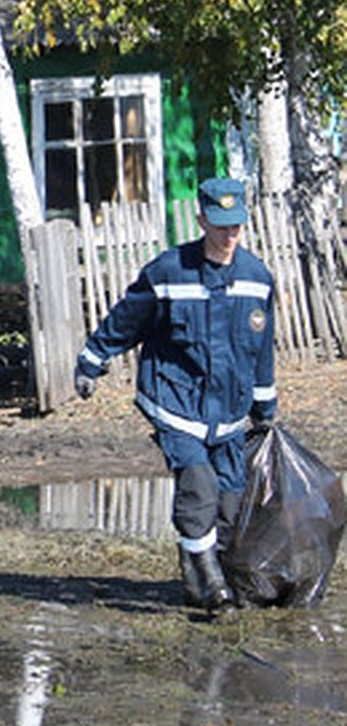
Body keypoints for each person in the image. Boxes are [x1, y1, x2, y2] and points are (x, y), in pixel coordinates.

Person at [73, 176, 277, 613]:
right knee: (198, 486)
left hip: (229, 413)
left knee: (228, 498)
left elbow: (261, 351)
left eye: (236, 226)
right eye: (220, 226)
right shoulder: (169, 272)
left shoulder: (257, 279)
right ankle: (208, 586)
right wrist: (92, 360)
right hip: (175, 403)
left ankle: (202, 571)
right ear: (201, 219)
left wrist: (266, 407)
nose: (228, 235)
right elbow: (126, 320)